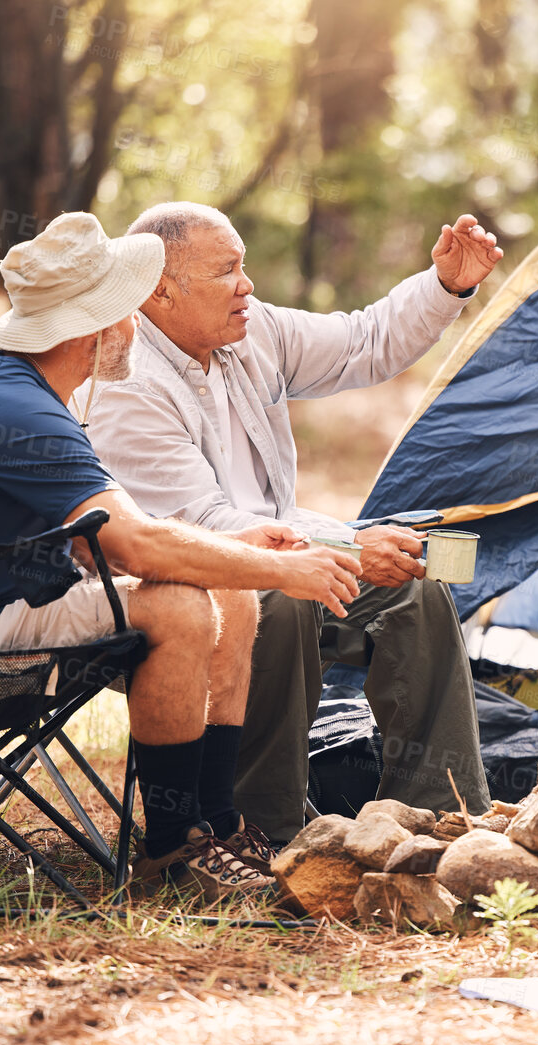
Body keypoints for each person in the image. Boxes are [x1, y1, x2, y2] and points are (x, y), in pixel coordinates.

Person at [0, 212, 363, 902]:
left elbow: (94, 536)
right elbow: (131, 541)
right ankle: (172, 850)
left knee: (227, 593)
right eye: (125, 307)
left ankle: (217, 827)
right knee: (176, 606)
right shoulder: (21, 410)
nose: (137, 321)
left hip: (6, 602)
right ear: (93, 327)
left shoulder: (32, 393)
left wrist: (240, 551)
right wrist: (287, 568)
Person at [78, 201, 505, 849]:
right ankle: (265, 832)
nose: (247, 285)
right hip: (173, 596)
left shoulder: (249, 330)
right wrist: (345, 547)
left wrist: (446, 283)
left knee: (416, 591)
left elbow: (365, 340)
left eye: (244, 266)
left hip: (275, 550)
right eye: (227, 270)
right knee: (279, 599)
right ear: (162, 289)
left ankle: (443, 815)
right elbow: (210, 530)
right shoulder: (129, 385)